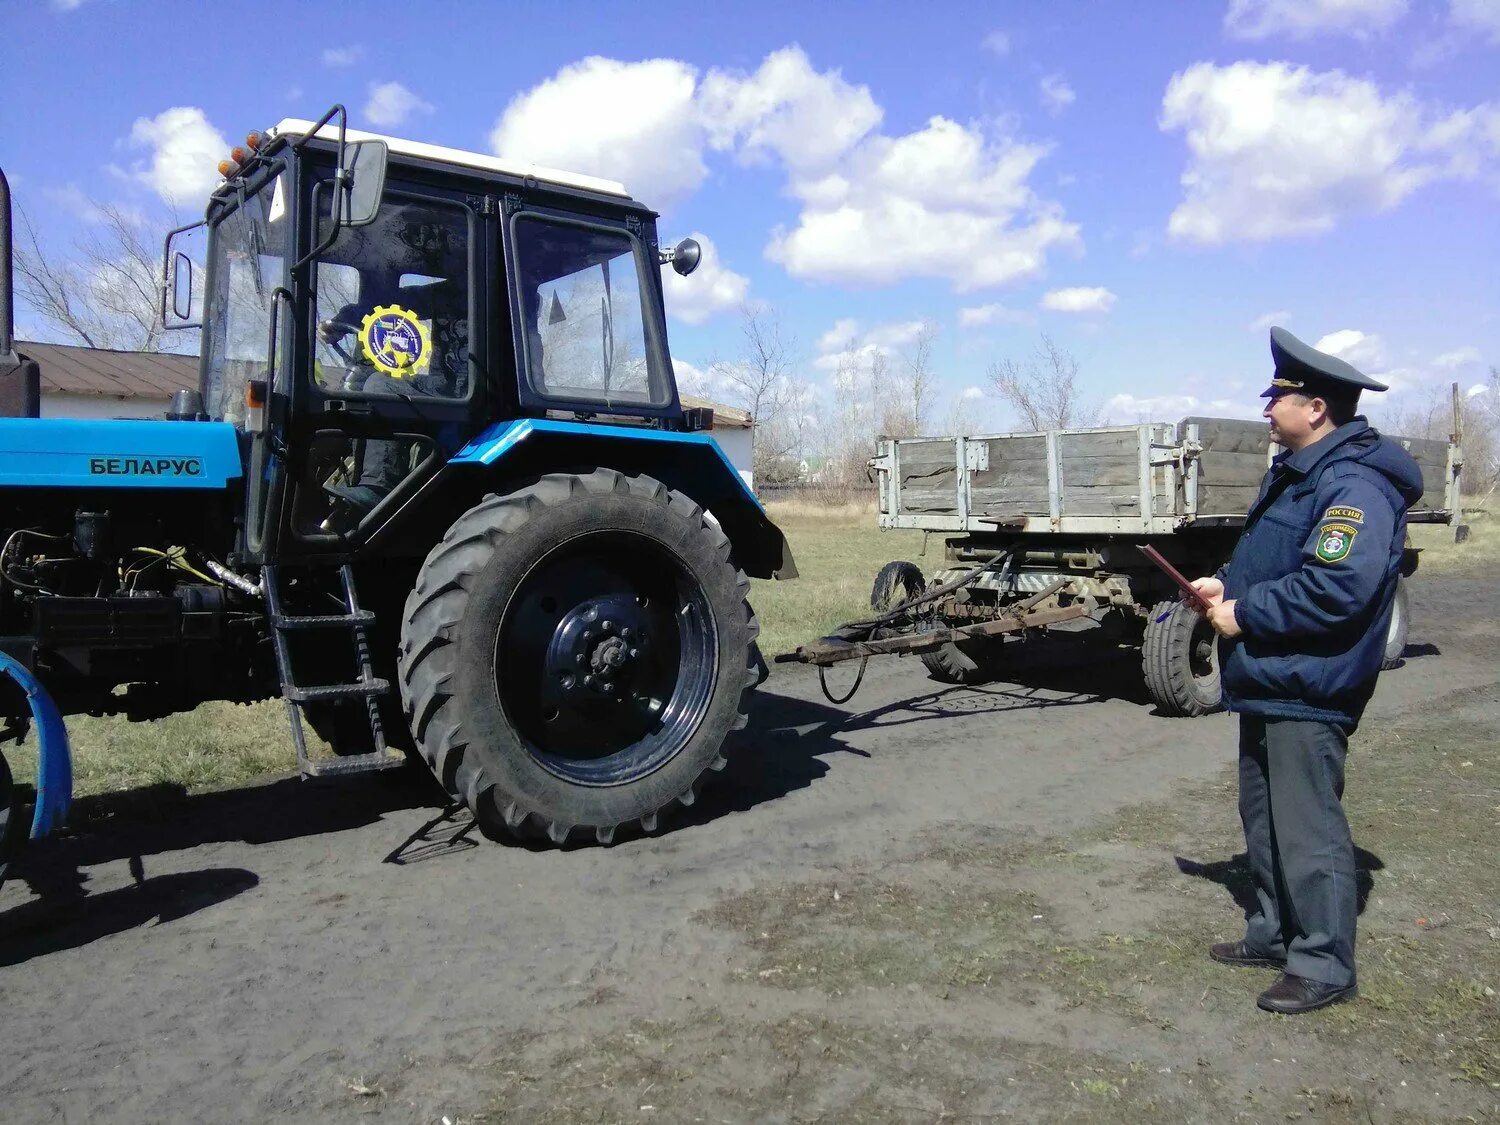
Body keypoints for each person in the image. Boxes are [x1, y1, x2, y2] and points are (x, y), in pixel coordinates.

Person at [1189, 326, 1423, 1015]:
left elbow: (1336, 589)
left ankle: (1323, 961)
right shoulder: (1297, 474)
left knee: (1305, 823)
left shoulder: (1355, 485)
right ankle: (1274, 932)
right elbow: (1278, 562)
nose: (1266, 408)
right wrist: (1223, 584)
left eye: (1277, 397)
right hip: (1270, 676)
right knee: (1261, 816)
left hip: (1309, 683)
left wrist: (1247, 613)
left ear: (1315, 408)